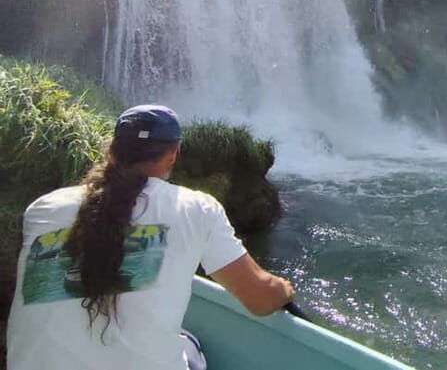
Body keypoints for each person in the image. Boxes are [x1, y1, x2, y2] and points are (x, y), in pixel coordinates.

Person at [6, 104, 294, 370]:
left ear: (112, 150)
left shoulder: (43, 208)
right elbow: (261, 299)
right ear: (173, 154)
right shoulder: (196, 209)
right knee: (190, 346)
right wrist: (284, 290)